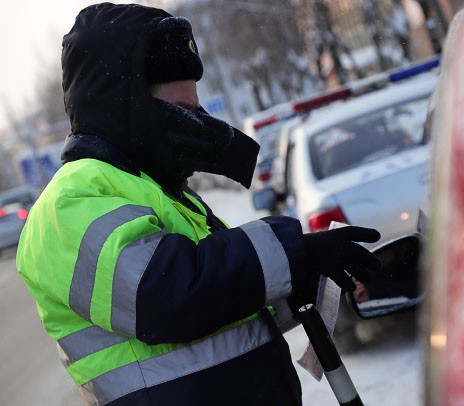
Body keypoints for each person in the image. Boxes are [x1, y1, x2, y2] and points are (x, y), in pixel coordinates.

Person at [16, 3, 381, 405]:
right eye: (179, 112)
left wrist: (314, 277)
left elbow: (224, 311)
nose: (193, 121)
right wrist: (293, 251)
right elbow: (165, 294)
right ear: (125, 105)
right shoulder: (69, 200)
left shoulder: (163, 191)